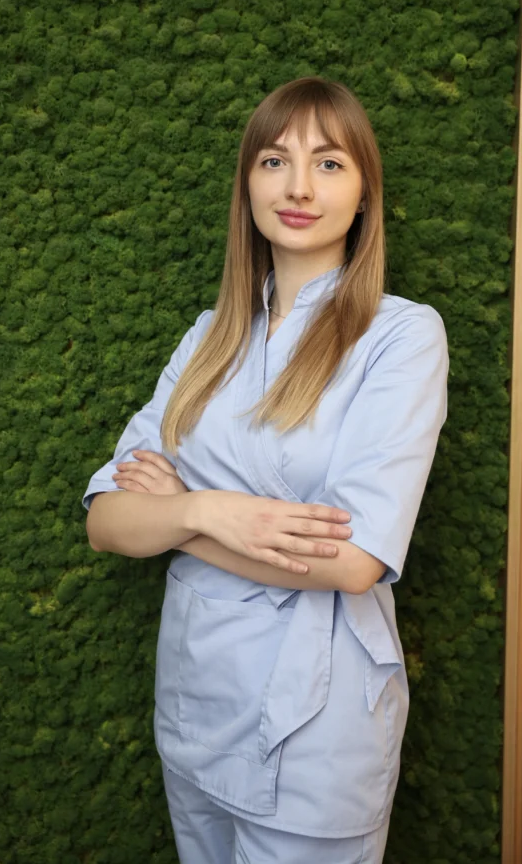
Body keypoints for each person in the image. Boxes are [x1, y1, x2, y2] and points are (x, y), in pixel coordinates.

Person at [82, 76, 449, 864]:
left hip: (318, 731)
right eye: (274, 161)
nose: (297, 188)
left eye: (328, 164)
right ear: (247, 183)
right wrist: (205, 512)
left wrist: (181, 519)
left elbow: (353, 561)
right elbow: (107, 520)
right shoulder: (209, 337)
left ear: (364, 193)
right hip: (195, 705)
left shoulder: (400, 337)